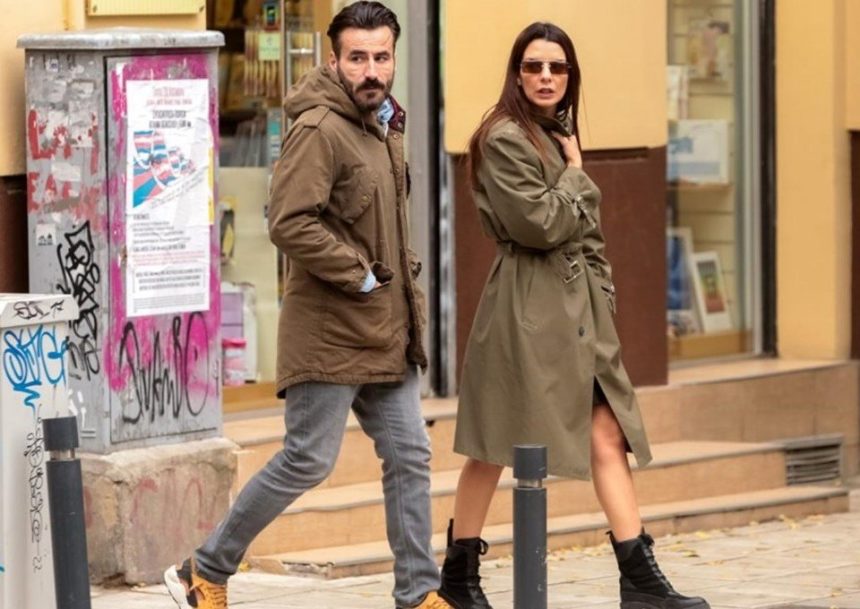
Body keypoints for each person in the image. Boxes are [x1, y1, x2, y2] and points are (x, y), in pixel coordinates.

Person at [163, 3, 451, 608]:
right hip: (331, 329)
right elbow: (289, 221)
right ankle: (204, 568)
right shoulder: (320, 128)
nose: (371, 70)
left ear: (394, 58)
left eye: (381, 57)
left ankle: (418, 593)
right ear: (334, 59)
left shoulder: (383, 124)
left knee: (410, 455)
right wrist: (361, 277)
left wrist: (394, 292)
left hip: (387, 329)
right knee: (308, 459)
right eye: (357, 58)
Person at [438, 22, 711, 609]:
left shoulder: (553, 134)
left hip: (577, 310)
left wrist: (603, 295)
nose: (546, 77)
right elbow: (540, 225)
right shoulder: (504, 137)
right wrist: (578, 174)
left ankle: (640, 578)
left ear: (570, 76)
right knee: (493, 443)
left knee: (606, 432)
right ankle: (458, 577)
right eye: (534, 66)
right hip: (525, 309)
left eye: (557, 67)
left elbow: (584, 232)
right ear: (517, 74)